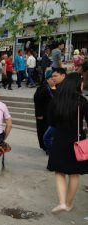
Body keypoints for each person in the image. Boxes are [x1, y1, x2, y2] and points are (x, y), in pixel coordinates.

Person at [47, 73, 88, 214]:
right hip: (77, 140)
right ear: (77, 84)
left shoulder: (56, 100)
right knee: (74, 174)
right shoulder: (81, 101)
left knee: (59, 172)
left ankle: (62, 202)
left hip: (59, 139)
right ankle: (69, 204)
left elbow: (51, 122)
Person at [43, 68, 67, 152]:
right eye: (52, 76)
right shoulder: (58, 86)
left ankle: (56, 154)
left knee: (47, 138)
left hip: (59, 121)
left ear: (63, 76)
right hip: (54, 121)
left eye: (55, 76)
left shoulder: (65, 88)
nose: (53, 78)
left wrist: (53, 88)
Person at [34, 70, 56, 154]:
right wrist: (39, 114)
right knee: (44, 130)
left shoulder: (56, 87)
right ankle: (46, 147)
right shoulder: (42, 88)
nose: (54, 80)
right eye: (52, 79)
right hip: (44, 115)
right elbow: (37, 101)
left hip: (52, 115)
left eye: (54, 79)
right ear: (47, 79)